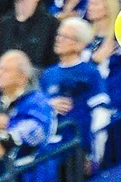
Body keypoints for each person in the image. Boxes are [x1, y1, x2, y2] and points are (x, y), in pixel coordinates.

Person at [38, 19, 105, 154]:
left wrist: (95, 152)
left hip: (78, 144)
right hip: (50, 146)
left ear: (80, 44)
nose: (58, 40)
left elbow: (100, 112)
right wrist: (48, 105)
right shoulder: (48, 74)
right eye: (58, 35)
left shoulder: (90, 72)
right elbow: (37, 106)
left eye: (65, 37)